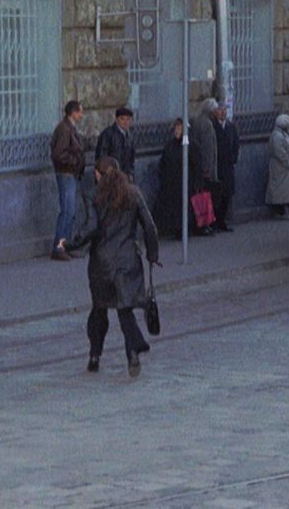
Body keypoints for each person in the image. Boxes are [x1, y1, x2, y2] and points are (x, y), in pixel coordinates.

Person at [58, 156, 159, 378]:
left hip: (102, 263)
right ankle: (133, 353)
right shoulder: (133, 193)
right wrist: (153, 255)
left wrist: (69, 244)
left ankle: (94, 355)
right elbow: (150, 226)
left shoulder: (94, 195)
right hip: (127, 261)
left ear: (98, 175)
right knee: (125, 309)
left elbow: (90, 228)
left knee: (99, 310)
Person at [49, 100, 86, 262]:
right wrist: (74, 161)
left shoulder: (68, 127)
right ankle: (59, 247)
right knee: (67, 211)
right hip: (66, 174)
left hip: (70, 174)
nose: (82, 115)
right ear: (73, 112)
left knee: (70, 212)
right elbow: (59, 154)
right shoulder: (64, 129)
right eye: (80, 112)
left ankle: (66, 245)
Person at [155, 119, 204, 237]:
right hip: (172, 183)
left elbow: (197, 164)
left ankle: (186, 228)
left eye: (179, 129)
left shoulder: (191, 145)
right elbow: (164, 162)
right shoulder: (170, 145)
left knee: (185, 207)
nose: (177, 131)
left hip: (186, 182)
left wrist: (197, 182)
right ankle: (175, 229)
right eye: (176, 129)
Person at [190, 98, 225, 230]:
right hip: (206, 168)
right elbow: (208, 149)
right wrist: (207, 169)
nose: (218, 111)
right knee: (207, 197)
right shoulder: (207, 124)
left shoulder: (198, 121)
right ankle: (206, 223)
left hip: (199, 166)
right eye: (216, 109)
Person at [212, 101, 241, 231]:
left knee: (227, 195)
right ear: (215, 112)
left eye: (224, 109)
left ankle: (222, 221)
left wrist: (233, 159)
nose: (223, 112)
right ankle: (216, 221)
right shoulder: (212, 127)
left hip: (228, 166)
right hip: (217, 166)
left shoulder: (230, 127)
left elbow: (236, 144)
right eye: (220, 109)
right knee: (217, 195)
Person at [266, 113, 289, 219]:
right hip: (281, 168)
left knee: (285, 192)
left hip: (285, 169)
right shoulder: (277, 136)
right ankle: (279, 212)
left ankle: (283, 211)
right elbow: (280, 152)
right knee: (280, 192)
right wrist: (288, 162)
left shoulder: (282, 134)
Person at [95, 107, 136, 179]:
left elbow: (131, 157)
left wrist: (130, 172)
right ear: (116, 120)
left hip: (125, 175)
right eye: (122, 119)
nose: (125, 122)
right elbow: (101, 155)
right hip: (110, 175)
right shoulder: (108, 134)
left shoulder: (130, 136)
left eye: (128, 119)